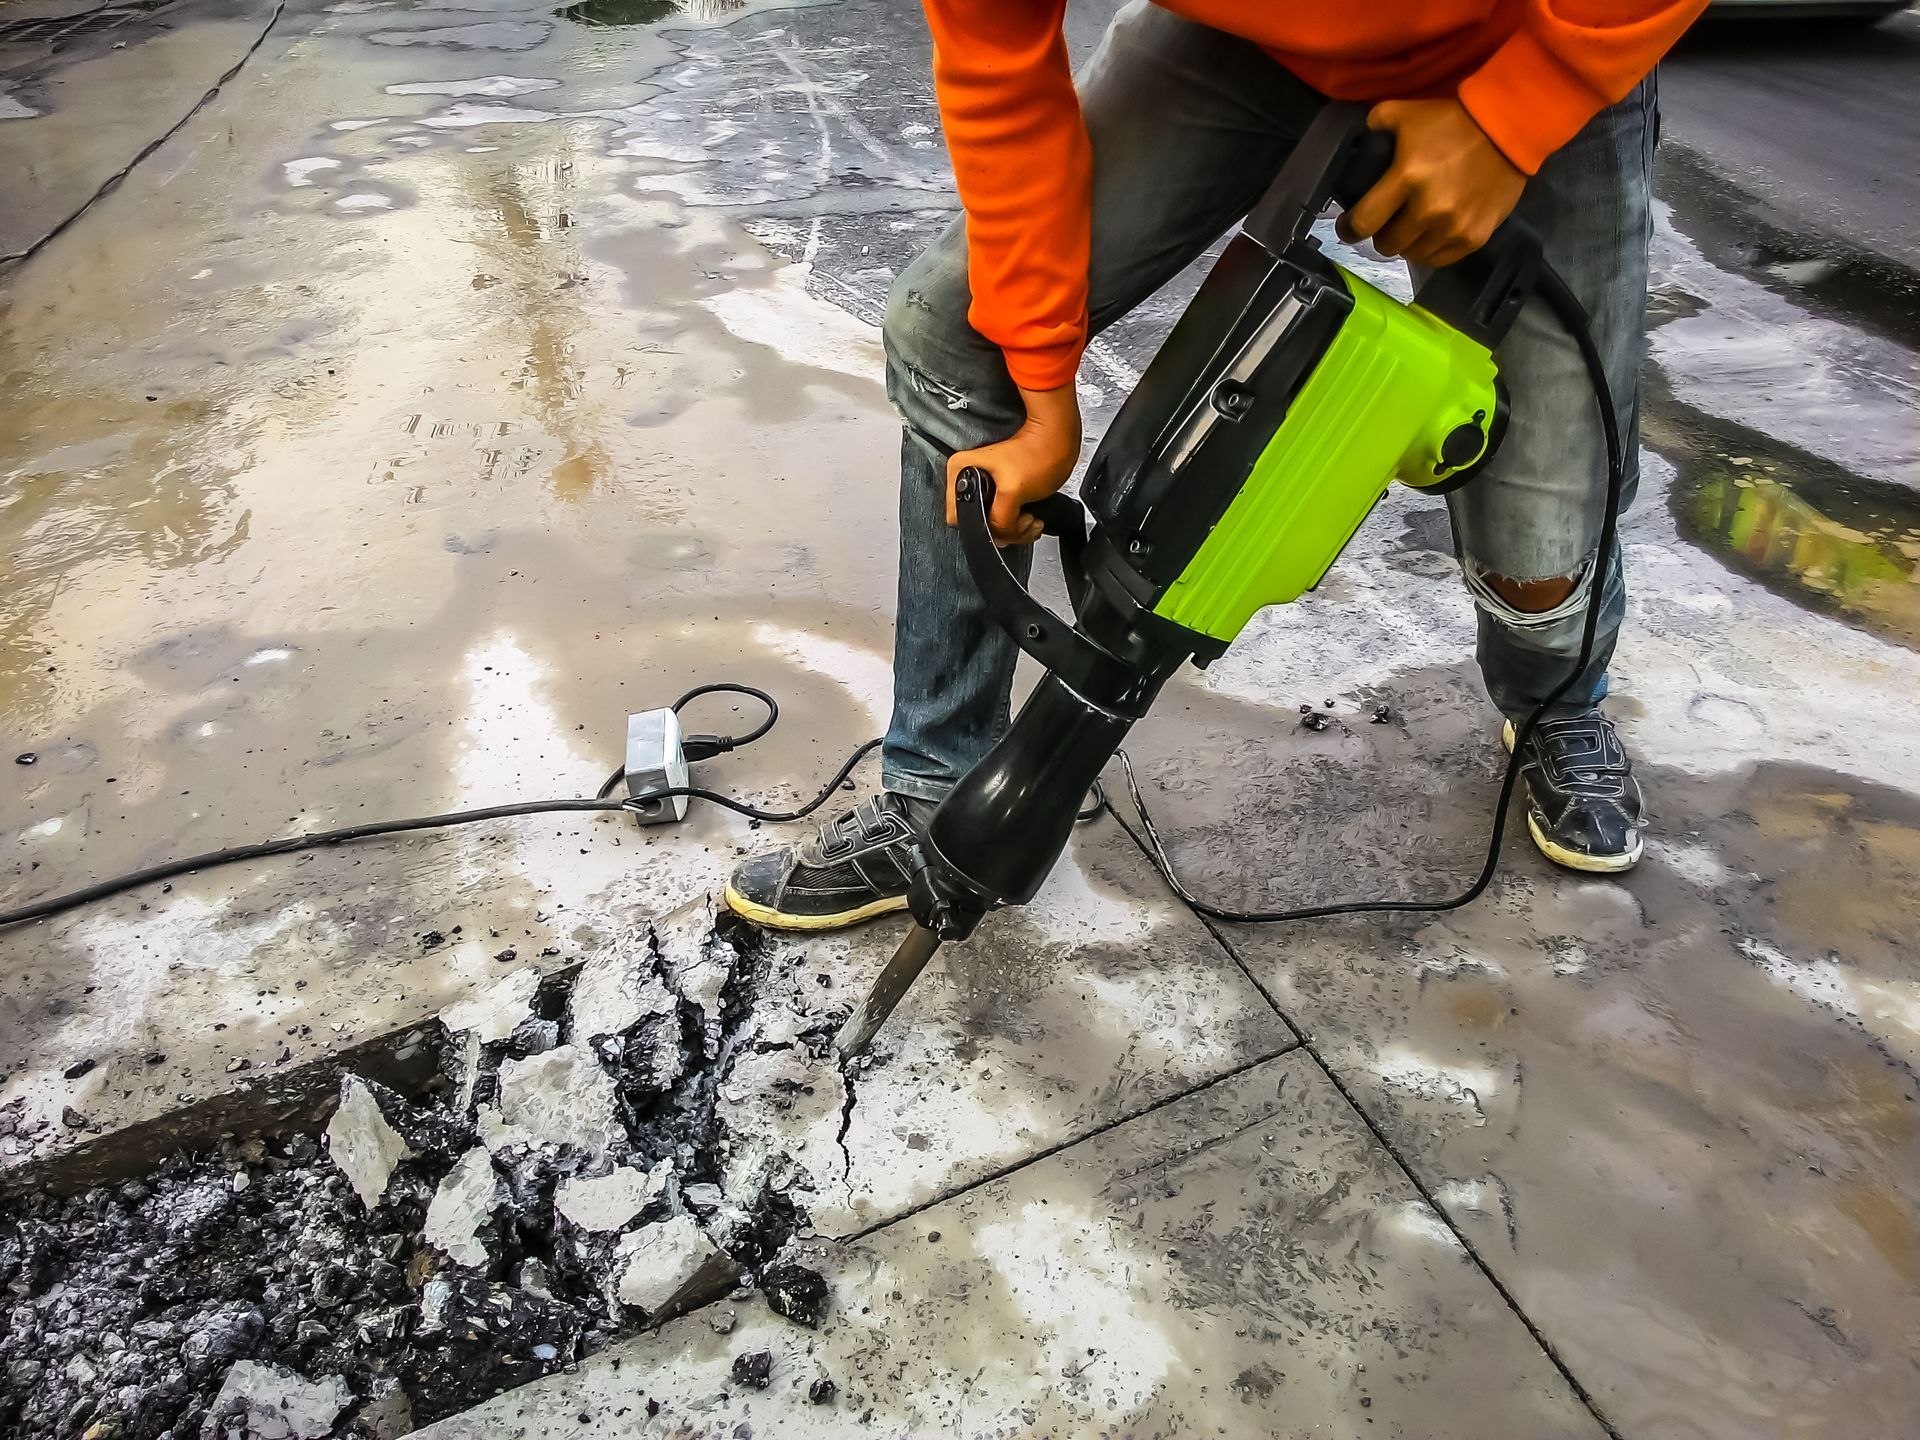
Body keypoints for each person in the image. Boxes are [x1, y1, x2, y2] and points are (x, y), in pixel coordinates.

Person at [726, 0, 1706, 932]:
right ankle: (939, 792)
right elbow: (997, 73)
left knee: (1537, 542)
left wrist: (1517, 110)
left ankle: (1554, 704)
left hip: (1524, 33)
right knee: (956, 341)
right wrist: (1039, 382)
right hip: (1245, 43)